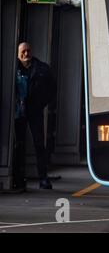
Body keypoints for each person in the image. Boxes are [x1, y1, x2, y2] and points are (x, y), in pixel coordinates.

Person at [13, 42, 56, 190]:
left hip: (34, 111)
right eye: (23, 51)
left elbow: (52, 89)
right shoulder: (13, 68)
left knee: (39, 145)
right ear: (18, 54)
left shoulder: (42, 68)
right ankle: (18, 178)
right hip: (18, 112)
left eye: (28, 51)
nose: (26, 54)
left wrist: (41, 104)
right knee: (19, 145)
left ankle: (43, 178)